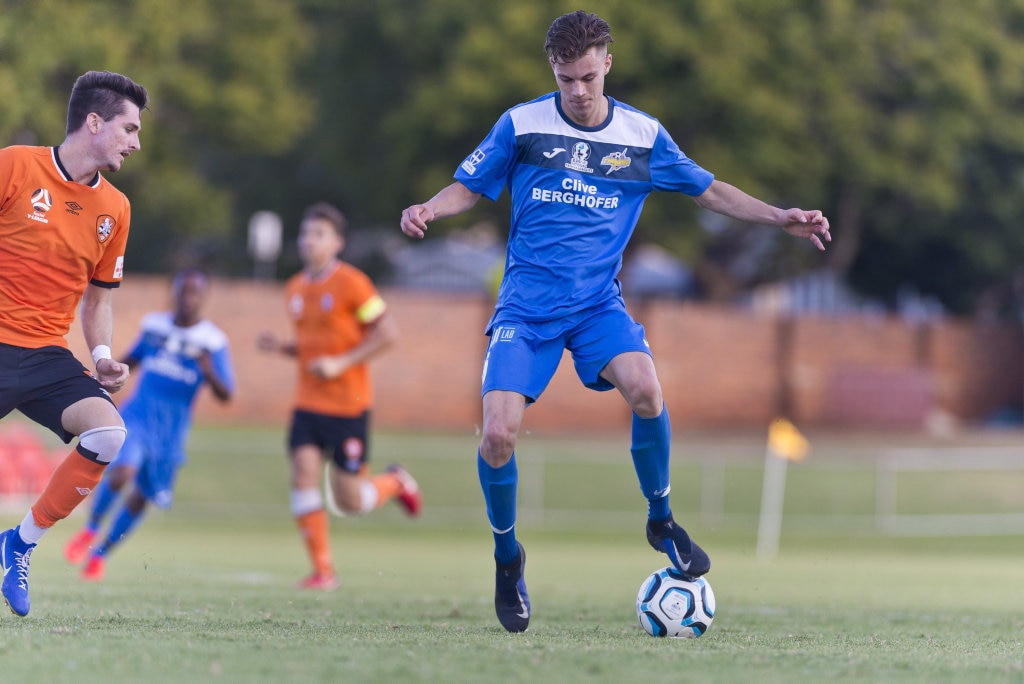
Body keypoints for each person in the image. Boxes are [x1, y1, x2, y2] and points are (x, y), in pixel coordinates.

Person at [400, 10, 831, 633]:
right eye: (564, 78)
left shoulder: (642, 136)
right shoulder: (521, 125)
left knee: (648, 390)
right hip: (525, 308)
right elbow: (469, 186)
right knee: (497, 436)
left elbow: (708, 190)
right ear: (553, 70)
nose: (576, 90)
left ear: (607, 62)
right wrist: (429, 209)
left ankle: (661, 518)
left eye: (586, 77)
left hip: (598, 305)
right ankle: (506, 558)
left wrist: (779, 217)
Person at [0, 70, 149, 616]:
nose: (135, 142)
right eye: (129, 128)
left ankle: (19, 543)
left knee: (109, 434)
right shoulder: (14, 164)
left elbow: (99, 301)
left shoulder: (117, 209)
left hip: (46, 356)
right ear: (94, 122)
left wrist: (104, 358)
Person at [258, 201, 422, 591]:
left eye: (318, 234)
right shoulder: (295, 288)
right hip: (307, 406)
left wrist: (341, 364)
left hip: (348, 406)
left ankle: (396, 483)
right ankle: (323, 572)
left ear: (338, 243)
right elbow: (314, 347)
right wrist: (283, 348)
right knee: (303, 475)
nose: (308, 241)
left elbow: (387, 335)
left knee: (351, 502)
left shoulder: (353, 283)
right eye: (304, 233)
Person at [63, 269, 235, 580]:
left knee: (142, 496)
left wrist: (208, 371)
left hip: (170, 435)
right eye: (183, 290)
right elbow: (132, 359)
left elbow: (227, 394)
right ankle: (89, 530)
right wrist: (108, 373)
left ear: (204, 297)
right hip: (138, 417)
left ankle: (100, 555)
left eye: (195, 292)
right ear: (175, 292)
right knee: (124, 470)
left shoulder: (212, 341)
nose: (188, 297)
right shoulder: (155, 327)